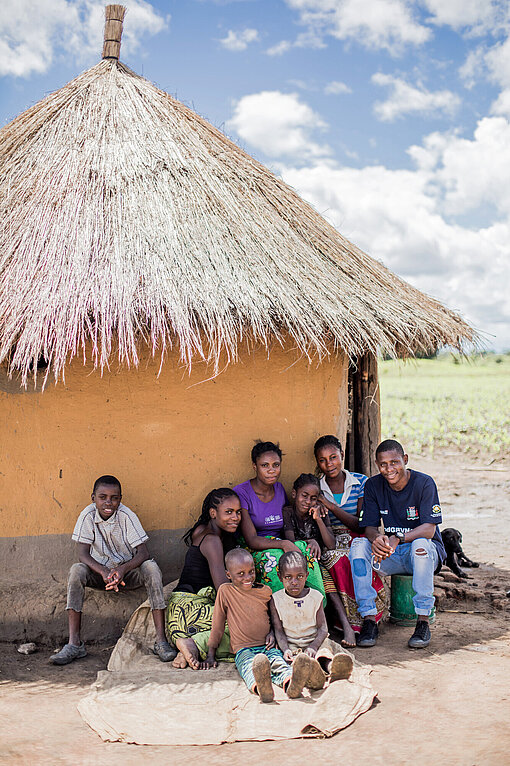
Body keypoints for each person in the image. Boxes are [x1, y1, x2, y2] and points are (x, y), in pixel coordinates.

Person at [51, 475, 174, 665]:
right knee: (77, 570)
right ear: (93, 498)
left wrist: (123, 569)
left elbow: (143, 553)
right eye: (103, 497)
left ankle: (161, 641)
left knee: (151, 567)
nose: (108, 502)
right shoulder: (87, 516)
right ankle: (74, 644)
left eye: (114, 498)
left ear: (120, 499)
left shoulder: (126, 516)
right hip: (100, 575)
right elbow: (82, 554)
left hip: (127, 574)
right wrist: (103, 572)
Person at [349, 439, 446, 649]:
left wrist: (399, 537)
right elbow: (369, 527)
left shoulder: (424, 483)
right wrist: (377, 539)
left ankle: (422, 620)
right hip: (392, 553)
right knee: (358, 545)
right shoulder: (374, 485)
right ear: (377, 465)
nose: (389, 469)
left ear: (405, 460)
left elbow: (429, 529)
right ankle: (369, 619)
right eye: (383, 464)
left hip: (423, 554)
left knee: (420, 544)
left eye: (394, 462)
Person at [205, 548, 312, 703]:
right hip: (243, 648)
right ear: (228, 575)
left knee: (279, 663)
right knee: (249, 667)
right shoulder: (225, 592)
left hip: (267, 645)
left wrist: (272, 634)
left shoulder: (265, 592)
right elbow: (218, 624)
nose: (247, 577)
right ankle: (261, 688)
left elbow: (273, 618)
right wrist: (210, 654)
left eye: (251, 571)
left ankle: (291, 684)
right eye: (240, 574)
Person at [314, 435, 386, 643]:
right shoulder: (317, 487)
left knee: (355, 555)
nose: (329, 464)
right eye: (323, 460)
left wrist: (331, 506)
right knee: (336, 559)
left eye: (334, 457)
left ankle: (368, 618)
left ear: (342, 455)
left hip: (360, 537)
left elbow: (362, 524)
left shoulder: (361, 482)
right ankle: (346, 622)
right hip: (331, 539)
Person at [234, 441, 325, 599]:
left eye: (276, 465)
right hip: (257, 548)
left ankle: (315, 608)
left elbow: (290, 524)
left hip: (282, 541)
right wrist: (283, 544)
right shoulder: (242, 492)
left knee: (307, 555)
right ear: (255, 466)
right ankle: (282, 612)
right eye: (265, 465)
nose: (271, 470)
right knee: (275, 560)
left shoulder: (279, 489)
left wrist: (308, 540)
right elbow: (251, 540)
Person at [167, 488, 242, 670]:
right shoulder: (212, 541)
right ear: (213, 513)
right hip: (193, 613)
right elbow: (223, 590)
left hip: (177, 618)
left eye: (238, 512)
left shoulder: (201, 529)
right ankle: (193, 645)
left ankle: (187, 647)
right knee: (248, 629)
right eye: (229, 512)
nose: (236, 517)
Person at [282, 473, 356, 647]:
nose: (308, 501)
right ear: (294, 494)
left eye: (313, 498)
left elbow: (330, 545)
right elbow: (291, 543)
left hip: (320, 560)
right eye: (304, 496)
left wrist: (319, 521)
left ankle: (347, 627)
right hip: (300, 562)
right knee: (322, 577)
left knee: (327, 579)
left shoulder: (321, 513)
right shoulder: (288, 512)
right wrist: (310, 541)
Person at [270, 551, 354, 690]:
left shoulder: (316, 597)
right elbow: (278, 629)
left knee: (324, 653)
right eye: (288, 577)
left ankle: (331, 668)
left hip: (315, 641)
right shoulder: (276, 600)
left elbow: (323, 629)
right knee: (291, 661)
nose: (294, 582)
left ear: (306, 576)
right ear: (280, 577)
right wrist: (285, 649)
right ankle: (312, 676)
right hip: (291, 644)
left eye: (300, 576)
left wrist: (313, 647)